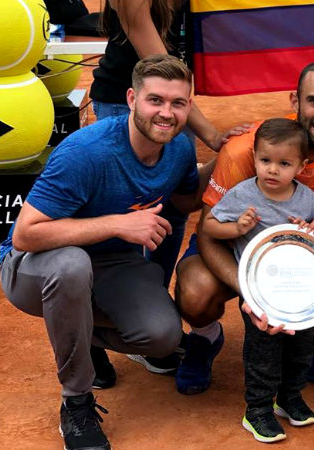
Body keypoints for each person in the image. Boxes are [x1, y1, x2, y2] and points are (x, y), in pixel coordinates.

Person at [0, 55, 199, 450]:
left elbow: (187, 200)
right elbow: (25, 235)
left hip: (110, 262)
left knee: (162, 336)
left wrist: (236, 159)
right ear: (131, 98)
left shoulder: (180, 149)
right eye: (155, 100)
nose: (166, 113)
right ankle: (76, 401)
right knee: (71, 265)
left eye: (178, 103)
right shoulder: (87, 151)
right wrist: (117, 224)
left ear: (189, 105)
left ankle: (81, 332)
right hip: (34, 265)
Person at [174, 60, 314, 399]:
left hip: (300, 255)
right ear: (295, 101)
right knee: (194, 289)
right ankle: (204, 338)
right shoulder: (243, 151)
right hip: (235, 247)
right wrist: (250, 288)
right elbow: (209, 233)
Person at [90, 0, 248, 377]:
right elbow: (157, 63)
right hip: (128, 105)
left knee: (172, 214)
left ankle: (146, 317)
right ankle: (93, 333)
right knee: (125, 222)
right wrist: (210, 134)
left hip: (175, 104)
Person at [202, 118, 314, 442]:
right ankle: (256, 409)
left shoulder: (307, 199)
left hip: (298, 291)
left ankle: (289, 397)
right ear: (254, 156)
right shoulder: (243, 194)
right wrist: (237, 228)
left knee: (301, 345)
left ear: (301, 165)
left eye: (284, 164)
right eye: (265, 160)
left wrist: (306, 230)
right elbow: (209, 227)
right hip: (259, 292)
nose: (272, 170)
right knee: (263, 350)